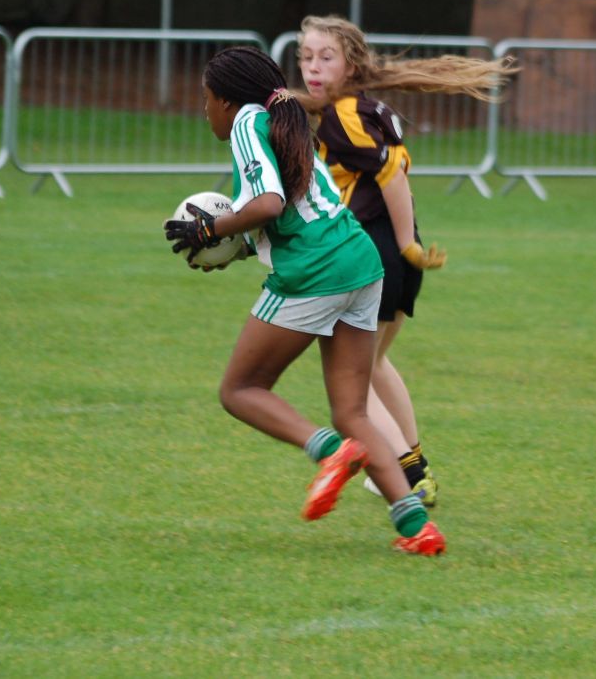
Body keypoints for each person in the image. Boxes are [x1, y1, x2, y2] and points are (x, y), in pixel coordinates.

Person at [163, 45, 445, 556]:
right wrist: (240, 246)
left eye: (206, 99)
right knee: (353, 411)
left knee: (241, 389)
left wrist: (210, 227)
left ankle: (331, 454)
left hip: (316, 271)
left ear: (226, 100)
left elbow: (267, 202)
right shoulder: (282, 120)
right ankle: (417, 528)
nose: (205, 110)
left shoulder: (249, 124)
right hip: (360, 259)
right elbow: (294, 210)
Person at [296, 14, 517, 505]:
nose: (313, 66)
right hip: (394, 256)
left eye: (325, 57)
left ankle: (406, 475)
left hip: (372, 254)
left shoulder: (344, 115)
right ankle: (413, 463)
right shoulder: (363, 106)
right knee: (374, 365)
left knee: (350, 382)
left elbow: (392, 174)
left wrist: (404, 242)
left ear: (350, 63)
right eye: (306, 57)